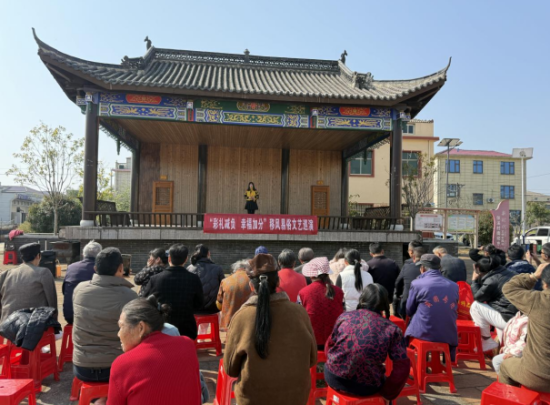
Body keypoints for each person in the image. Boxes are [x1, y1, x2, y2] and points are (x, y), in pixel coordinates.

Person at [224, 253, 317, 405]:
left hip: (253, 400)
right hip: (296, 397)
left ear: (251, 285)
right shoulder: (299, 312)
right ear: (277, 281)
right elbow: (312, 359)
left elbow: (230, 369)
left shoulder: (241, 316)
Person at [107, 296, 202, 405]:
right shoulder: (187, 345)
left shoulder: (122, 364)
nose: (118, 334)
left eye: (121, 326)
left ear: (141, 328)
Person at [72, 247, 137, 403]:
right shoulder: (129, 296)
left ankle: (101, 399)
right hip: (115, 368)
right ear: (121, 268)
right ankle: (105, 399)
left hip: (81, 366)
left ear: (95, 268)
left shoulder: (80, 289)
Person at [324, 284, 410, 399]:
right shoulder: (391, 329)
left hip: (333, 376)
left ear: (362, 299)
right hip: (366, 386)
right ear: (385, 304)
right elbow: (402, 367)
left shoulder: (344, 317)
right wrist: (388, 392)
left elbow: (329, 346)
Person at [498, 263, 550, 393]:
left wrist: (534, 276)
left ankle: (512, 399)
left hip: (537, 375)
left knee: (504, 366)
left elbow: (509, 288)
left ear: (545, 284)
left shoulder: (539, 300)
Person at [142, 244, 204, 339]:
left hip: (161, 328)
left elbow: (144, 301)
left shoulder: (155, 279)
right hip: (187, 330)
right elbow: (199, 304)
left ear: (169, 258)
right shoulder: (194, 279)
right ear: (186, 259)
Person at [405, 254, 459, 360]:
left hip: (424, 332)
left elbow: (409, 310)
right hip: (449, 333)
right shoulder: (454, 285)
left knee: (416, 320)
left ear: (423, 268)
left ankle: (420, 362)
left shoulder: (417, 284)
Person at [470, 255, 518, 352]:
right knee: (495, 312)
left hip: (509, 319)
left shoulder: (491, 280)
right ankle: (503, 348)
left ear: (479, 270)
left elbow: (478, 297)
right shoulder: (510, 273)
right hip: (519, 317)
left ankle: (487, 340)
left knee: (476, 306)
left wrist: (474, 281)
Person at [0, 242, 57, 322]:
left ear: (22, 258)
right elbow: (52, 302)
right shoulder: (44, 273)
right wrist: (55, 323)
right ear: (38, 256)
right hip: (33, 324)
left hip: (7, 324)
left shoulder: (6, 274)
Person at [298, 257, 344, 349]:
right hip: (334, 339)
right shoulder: (339, 291)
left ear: (311, 275)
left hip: (313, 340)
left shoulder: (303, 292)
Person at [62, 241, 102, 325]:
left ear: (83, 255)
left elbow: (64, 290)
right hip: (93, 320)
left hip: (70, 316)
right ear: (100, 256)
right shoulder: (102, 270)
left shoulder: (71, 267)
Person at [186, 244, 224, 314]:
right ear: (208, 253)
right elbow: (223, 288)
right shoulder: (218, 268)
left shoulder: (189, 268)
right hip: (213, 308)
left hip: (194, 309)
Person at [216, 260, 252, 330]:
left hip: (229, 321)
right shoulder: (253, 280)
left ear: (235, 269)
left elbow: (219, 300)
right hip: (249, 320)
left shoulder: (225, 281)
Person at [393, 246, 424, 319]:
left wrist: (398, 294)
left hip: (407, 302)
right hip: (424, 304)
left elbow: (398, 282)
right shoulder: (430, 270)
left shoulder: (406, 267)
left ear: (413, 257)